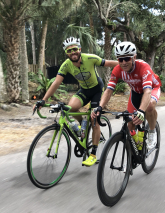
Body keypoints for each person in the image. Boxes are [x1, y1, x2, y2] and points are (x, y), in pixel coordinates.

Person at [34, 37, 118, 166]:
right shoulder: (66, 65)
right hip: (84, 90)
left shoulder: (90, 58)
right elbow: (56, 82)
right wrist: (43, 100)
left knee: (95, 119)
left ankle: (93, 154)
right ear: (66, 53)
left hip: (96, 90)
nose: (72, 52)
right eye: (69, 50)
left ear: (79, 49)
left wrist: (126, 63)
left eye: (74, 49)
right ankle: (82, 123)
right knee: (70, 108)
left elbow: (109, 63)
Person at [92, 41, 162, 150]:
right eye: (120, 59)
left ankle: (152, 133)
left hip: (152, 88)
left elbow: (147, 91)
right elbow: (109, 90)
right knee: (130, 122)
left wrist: (141, 111)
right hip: (135, 91)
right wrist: (100, 107)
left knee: (149, 106)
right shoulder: (117, 70)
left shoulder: (143, 67)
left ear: (134, 57)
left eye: (127, 59)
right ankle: (136, 149)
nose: (124, 62)